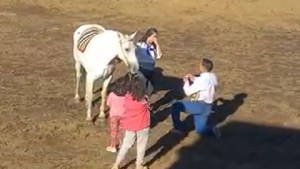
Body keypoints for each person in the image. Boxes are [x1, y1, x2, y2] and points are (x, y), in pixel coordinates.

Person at [170, 58, 221, 138]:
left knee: (176, 106)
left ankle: (179, 128)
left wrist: (186, 82)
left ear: (202, 67)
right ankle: (212, 131)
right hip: (208, 107)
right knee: (200, 130)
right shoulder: (213, 77)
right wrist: (194, 78)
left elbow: (188, 92)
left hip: (199, 105)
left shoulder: (202, 80)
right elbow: (206, 83)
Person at [111, 74, 151, 169]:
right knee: (141, 145)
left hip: (129, 125)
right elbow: (148, 105)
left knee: (125, 145)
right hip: (143, 125)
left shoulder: (127, 98)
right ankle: (139, 165)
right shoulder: (144, 99)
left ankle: (116, 164)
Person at [106, 76, 128, 153]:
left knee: (113, 131)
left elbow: (108, 104)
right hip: (124, 115)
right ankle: (122, 144)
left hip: (113, 115)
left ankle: (113, 146)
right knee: (122, 130)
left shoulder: (112, 94)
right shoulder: (127, 95)